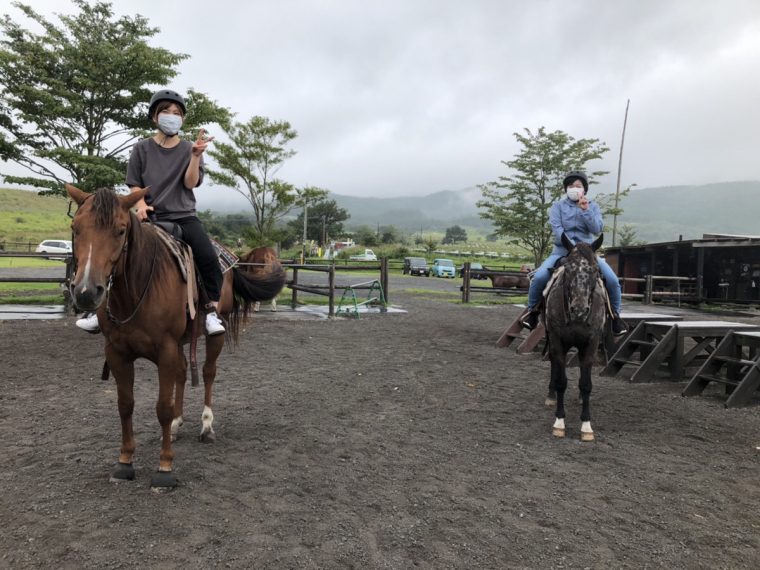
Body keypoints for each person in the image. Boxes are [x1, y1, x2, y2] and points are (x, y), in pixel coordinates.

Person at [76, 89, 225, 335]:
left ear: (183, 120)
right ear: (154, 117)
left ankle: (210, 311)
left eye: (177, 113)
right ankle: (97, 309)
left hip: (183, 216)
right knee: (117, 254)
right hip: (149, 216)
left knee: (208, 257)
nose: (171, 116)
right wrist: (141, 205)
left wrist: (196, 157)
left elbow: (189, 183)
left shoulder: (190, 148)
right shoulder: (141, 149)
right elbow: (135, 183)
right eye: (165, 111)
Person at [520, 170, 627, 336]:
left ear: (584, 189)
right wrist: (571, 247)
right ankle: (532, 313)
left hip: (588, 252)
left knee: (612, 280)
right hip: (562, 250)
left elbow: (597, 229)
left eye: (578, 186)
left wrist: (586, 211)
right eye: (571, 186)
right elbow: (557, 229)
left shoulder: (593, 206)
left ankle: (616, 318)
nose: (574, 188)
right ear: (566, 189)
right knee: (540, 277)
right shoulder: (557, 207)